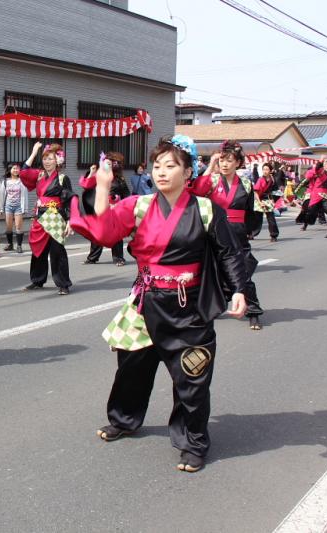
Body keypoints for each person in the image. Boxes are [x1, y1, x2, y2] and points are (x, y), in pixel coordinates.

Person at [70, 135, 246, 473]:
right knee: (131, 367)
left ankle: (193, 442)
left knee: (192, 376)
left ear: (188, 171)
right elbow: (106, 233)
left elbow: (229, 253)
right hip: (146, 301)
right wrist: (104, 186)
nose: (161, 172)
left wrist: (238, 290)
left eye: (171, 165)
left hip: (188, 305)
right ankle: (124, 419)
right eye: (157, 165)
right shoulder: (139, 205)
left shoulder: (206, 209)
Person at [188, 140, 264, 330]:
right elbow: (196, 190)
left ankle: (253, 311)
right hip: (217, 231)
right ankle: (207, 308)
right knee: (212, 273)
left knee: (244, 272)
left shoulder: (246, 183)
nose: (224, 164)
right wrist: (211, 165)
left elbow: (251, 209)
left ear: (238, 163)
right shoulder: (213, 180)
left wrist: (250, 230)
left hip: (238, 232)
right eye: (222, 160)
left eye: (229, 161)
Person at [19, 141, 75, 295]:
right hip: (40, 216)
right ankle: (37, 280)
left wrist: (70, 221)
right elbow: (23, 172)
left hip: (56, 216)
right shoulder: (39, 176)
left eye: (50, 159)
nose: (47, 162)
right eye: (44, 159)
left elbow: (69, 200)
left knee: (57, 250)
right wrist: (34, 152)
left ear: (58, 161)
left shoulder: (63, 178)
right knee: (38, 249)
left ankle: (63, 283)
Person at [82, 151, 131, 266]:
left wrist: (119, 203)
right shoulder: (98, 175)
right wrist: (91, 172)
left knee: (115, 234)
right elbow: (85, 185)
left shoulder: (120, 180)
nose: (110, 165)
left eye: (112, 163)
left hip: (114, 210)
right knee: (97, 233)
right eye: (107, 163)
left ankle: (118, 258)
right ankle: (92, 258)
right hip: (100, 207)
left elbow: (127, 196)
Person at [0, 163, 28, 253]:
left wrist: (25, 208)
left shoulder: (22, 181)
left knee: (18, 227)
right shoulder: (5, 181)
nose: (16, 170)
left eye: (17, 168)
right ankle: (10, 245)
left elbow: (25, 195)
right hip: (8, 206)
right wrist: (0, 208)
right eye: (14, 168)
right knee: (8, 227)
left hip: (18, 207)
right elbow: (1, 196)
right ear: (10, 170)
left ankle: (19, 246)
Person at [252, 162, 280, 242]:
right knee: (257, 219)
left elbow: (276, 191)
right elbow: (256, 192)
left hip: (268, 200)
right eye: (263, 169)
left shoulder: (273, 179)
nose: (265, 171)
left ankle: (274, 235)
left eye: (267, 169)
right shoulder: (260, 179)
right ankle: (252, 233)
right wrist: (259, 202)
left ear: (270, 171)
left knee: (271, 218)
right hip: (259, 199)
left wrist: (273, 201)